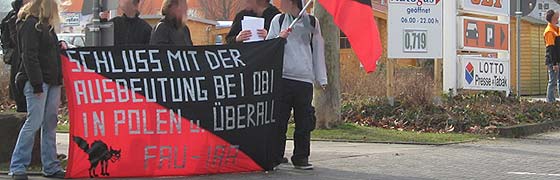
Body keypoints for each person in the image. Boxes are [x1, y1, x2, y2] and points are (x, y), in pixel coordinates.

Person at [266, 0, 327, 170]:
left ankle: (301, 157)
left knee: (304, 122)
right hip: (283, 78)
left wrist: (321, 78)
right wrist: (280, 38)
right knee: (279, 121)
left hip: (304, 79)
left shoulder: (312, 23)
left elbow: (318, 49)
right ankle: (276, 156)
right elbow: (268, 46)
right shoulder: (277, 21)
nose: (281, 4)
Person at [9, 0, 66, 179]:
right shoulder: (30, 25)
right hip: (39, 81)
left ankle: (50, 165)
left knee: (49, 122)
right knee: (35, 122)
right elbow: (29, 55)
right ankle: (18, 165)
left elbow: (40, 52)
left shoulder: (42, 26)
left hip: (49, 80)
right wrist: (36, 83)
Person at [1, 0, 30, 112]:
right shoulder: (15, 18)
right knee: (24, 107)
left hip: (21, 65)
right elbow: (15, 42)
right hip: (21, 65)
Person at [544, 10, 560, 103]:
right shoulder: (549, 31)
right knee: (553, 81)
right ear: (553, 18)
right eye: (557, 16)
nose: (558, 18)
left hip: (558, 60)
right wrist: (554, 63)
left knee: (558, 81)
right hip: (553, 61)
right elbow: (551, 49)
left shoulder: (556, 29)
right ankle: (550, 101)